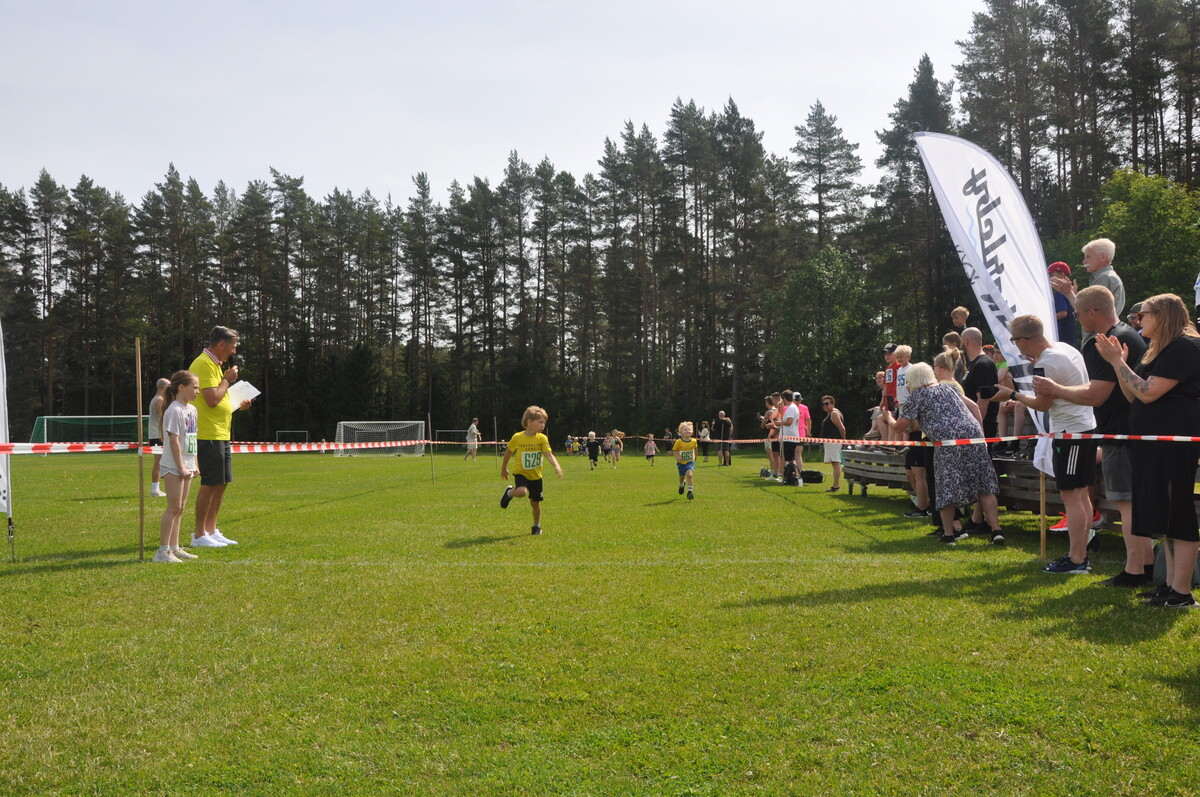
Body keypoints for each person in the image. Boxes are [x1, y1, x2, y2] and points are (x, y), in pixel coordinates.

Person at [1033, 286, 1150, 586]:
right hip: (1128, 431)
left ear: (1092, 313)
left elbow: (1097, 395)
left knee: (1126, 503)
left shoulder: (1109, 341)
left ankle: (1134, 571)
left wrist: (1056, 389)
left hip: (1120, 432)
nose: (1077, 319)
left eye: (1078, 313)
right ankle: (1145, 564)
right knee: (1131, 502)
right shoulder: (1125, 334)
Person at [1096, 293, 1200, 607]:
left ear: (1163, 315)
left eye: (1144, 315)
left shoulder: (1184, 346)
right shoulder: (1160, 349)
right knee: (1164, 513)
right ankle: (1169, 586)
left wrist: (1117, 362)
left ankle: (1181, 592)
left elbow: (1149, 392)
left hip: (1173, 443)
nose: (1138, 320)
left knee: (1177, 510)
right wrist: (1118, 364)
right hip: (1152, 444)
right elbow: (1132, 395)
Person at [993, 314, 1097, 573]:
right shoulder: (1065, 349)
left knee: (1071, 495)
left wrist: (1013, 394)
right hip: (1083, 427)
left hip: (1069, 432)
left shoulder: (1046, 363)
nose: (1015, 345)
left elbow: (1041, 405)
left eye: (1014, 341)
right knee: (1080, 494)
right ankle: (1079, 555)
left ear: (1024, 340)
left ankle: (1077, 559)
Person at [892, 363, 1004, 545]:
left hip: (947, 442)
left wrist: (887, 417)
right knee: (984, 484)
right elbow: (973, 407)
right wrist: (981, 436)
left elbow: (899, 427)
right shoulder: (948, 388)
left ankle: (949, 534)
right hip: (973, 436)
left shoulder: (917, 396)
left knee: (946, 486)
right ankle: (997, 531)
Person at [189, 326, 251, 548]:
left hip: (220, 433)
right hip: (208, 434)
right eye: (233, 346)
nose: (234, 351)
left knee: (221, 483)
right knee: (210, 483)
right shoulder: (204, 364)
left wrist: (237, 405)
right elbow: (212, 399)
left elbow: (219, 400)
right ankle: (199, 535)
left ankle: (211, 530)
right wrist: (227, 380)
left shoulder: (215, 365)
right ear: (222, 345)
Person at [153, 371, 201, 563]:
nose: (197, 391)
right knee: (173, 507)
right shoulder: (174, 410)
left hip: (186, 464)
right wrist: (180, 466)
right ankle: (162, 551)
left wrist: (194, 463)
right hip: (173, 465)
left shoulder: (192, 410)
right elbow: (173, 440)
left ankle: (174, 547)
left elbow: (192, 438)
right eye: (194, 387)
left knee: (180, 507)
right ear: (181, 387)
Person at [499, 405, 563, 536]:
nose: (543, 425)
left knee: (535, 503)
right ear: (529, 422)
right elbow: (508, 452)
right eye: (540, 422)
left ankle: (536, 526)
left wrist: (556, 466)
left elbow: (548, 454)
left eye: (544, 423)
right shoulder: (517, 437)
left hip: (536, 476)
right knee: (522, 492)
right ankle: (510, 493)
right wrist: (504, 468)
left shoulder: (542, 438)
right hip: (521, 473)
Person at [1050, 237, 1126, 319]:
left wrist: (1069, 293)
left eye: (1088, 257)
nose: (1084, 261)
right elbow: (1089, 313)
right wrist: (1073, 295)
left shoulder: (1105, 277)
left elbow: (1090, 315)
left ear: (1103, 257)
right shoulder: (1106, 276)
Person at [774, 390, 804, 486]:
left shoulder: (791, 408)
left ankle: (793, 477)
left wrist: (779, 422)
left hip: (789, 438)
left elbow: (789, 421)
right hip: (789, 437)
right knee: (786, 458)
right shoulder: (792, 407)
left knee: (790, 459)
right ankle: (787, 477)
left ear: (784, 398)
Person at [147, 377, 170, 498]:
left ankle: (157, 489)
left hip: (156, 435)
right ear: (163, 387)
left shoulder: (155, 399)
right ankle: (154, 490)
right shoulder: (160, 400)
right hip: (158, 436)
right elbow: (164, 417)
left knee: (161, 463)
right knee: (158, 463)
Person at [1047, 262, 1077, 347]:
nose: (1049, 278)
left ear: (1062, 275)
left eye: (1051, 275)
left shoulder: (1061, 293)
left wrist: (1046, 319)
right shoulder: (1070, 291)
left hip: (1062, 335)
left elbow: (1063, 313)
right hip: (1069, 334)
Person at [819, 395, 846, 492]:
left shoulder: (834, 413)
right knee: (834, 463)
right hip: (831, 442)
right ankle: (835, 485)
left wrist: (843, 441)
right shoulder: (831, 413)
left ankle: (836, 486)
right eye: (823, 404)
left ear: (833, 404)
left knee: (836, 462)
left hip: (834, 442)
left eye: (827, 404)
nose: (825, 406)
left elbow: (842, 428)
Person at [671, 421, 699, 499]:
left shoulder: (694, 441)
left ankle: (690, 492)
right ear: (681, 433)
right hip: (681, 462)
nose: (687, 431)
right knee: (681, 477)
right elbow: (674, 451)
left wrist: (695, 457)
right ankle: (681, 484)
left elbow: (696, 449)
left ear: (692, 431)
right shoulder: (678, 442)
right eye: (685, 430)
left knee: (689, 475)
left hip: (690, 461)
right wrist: (677, 457)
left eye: (689, 429)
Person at [762, 394, 781, 479]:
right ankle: (777, 473)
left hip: (771, 436)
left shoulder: (769, 412)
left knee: (772, 457)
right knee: (776, 456)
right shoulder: (776, 411)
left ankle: (774, 473)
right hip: (776, 435)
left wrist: (764, 419)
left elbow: (762, 425)